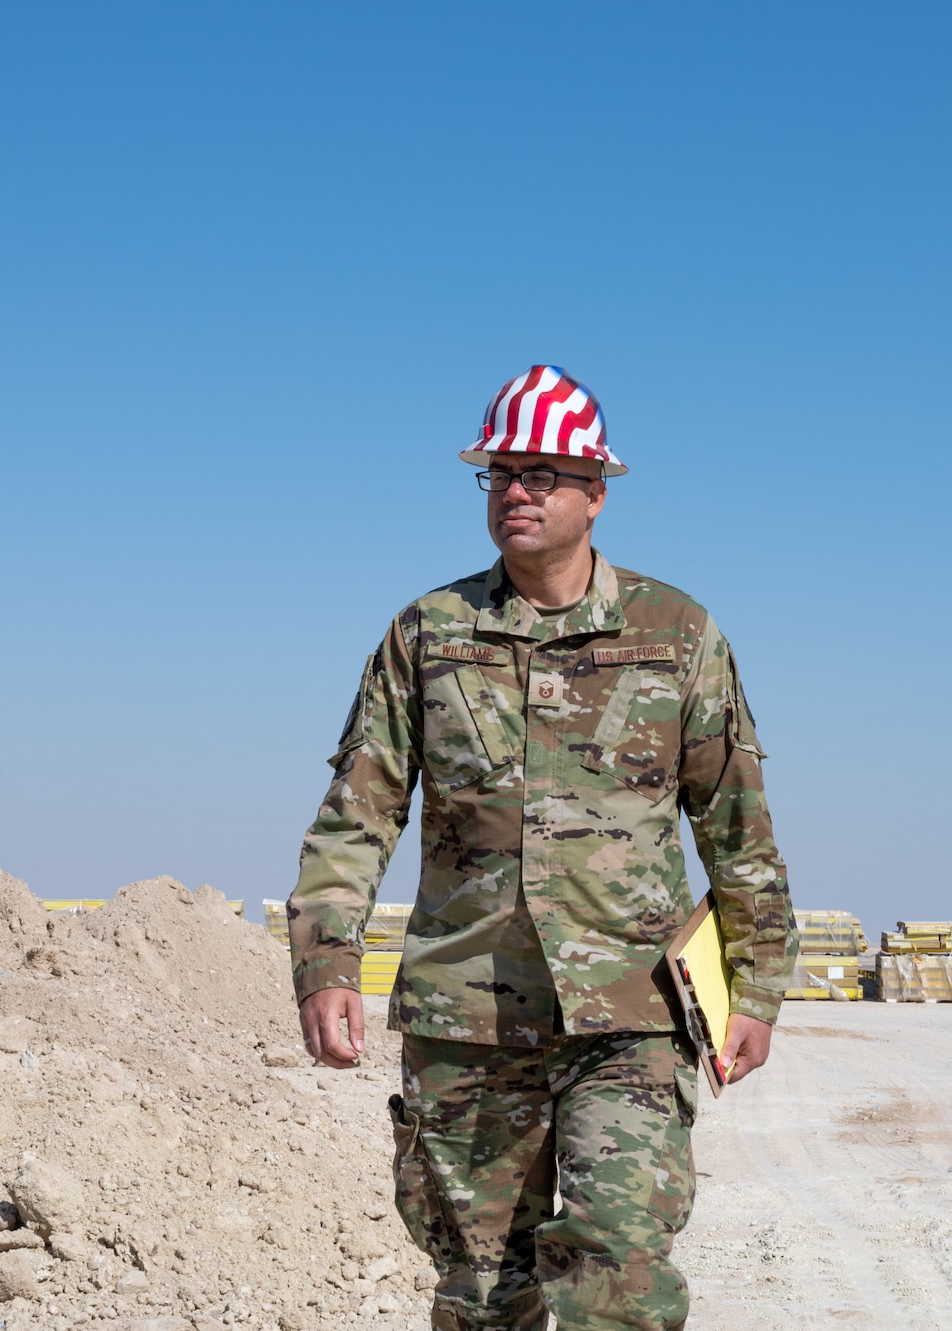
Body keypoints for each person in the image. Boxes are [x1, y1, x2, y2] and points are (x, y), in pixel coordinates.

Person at [288, 365, 798, 1331]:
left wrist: (760, 986)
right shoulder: (428, 636)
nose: (516, 491)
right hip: (468, 1017)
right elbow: (358, 814)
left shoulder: (675, 635)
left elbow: (738, 827)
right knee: (484, 1293)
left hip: (632, 1012)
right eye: (500, 474)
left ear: (595, 493)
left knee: (618, 1271)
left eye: (542, 473)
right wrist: (326, 961)